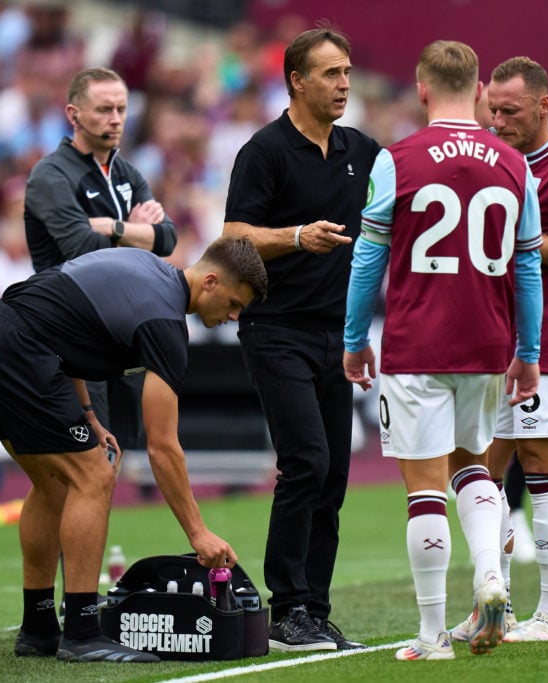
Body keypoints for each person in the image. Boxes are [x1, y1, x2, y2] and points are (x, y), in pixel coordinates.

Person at [0, 237, 268, 662]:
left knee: (53, 484)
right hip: (19, 350)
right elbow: (162, 447)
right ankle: (83, 631)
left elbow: (62, 326)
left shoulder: (148, 269)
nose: (233, 317)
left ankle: (38, 626)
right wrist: (198, 533)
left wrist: (86, 413)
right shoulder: (165, 323)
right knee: (94, 474)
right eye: (234, 303)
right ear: (211, 280)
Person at [344, 40, 544, 661]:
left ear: (422, 88)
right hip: (486, 341)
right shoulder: (515, 164)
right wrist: (528, 351)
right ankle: (491, 577)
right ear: (481, 89)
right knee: (474, 469)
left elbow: (368, 256)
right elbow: (529, 267)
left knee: (424, 486)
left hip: (417, 341)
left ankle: (432, 636)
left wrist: (354, 339)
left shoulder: (396, 159)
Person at [222, 24, 380, 653]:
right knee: (307, 461)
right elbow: (233, 234)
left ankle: (312, 606)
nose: (344, 83)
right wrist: (294, 236)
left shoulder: (361, 149)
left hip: (337, 335)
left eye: (347, 71)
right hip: (277, 328)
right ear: (296, 80)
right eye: (331, 73)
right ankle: (287, 607)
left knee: (334, 473)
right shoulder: (264, 150)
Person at [449, 56, 548, 645]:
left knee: (543, 471)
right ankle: (492, 603)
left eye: (510, 111)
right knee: (480, 473)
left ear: (543, 105)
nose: (498, 120)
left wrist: (521, 240)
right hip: (489, 339)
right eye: (492, 109)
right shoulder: (493, 160)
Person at [24, 66, 177, 457]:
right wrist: (135, 233)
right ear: (73, 115)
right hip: (68, 337)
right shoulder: (52, 174)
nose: (115, 119)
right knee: (87, 466)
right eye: (104, 109)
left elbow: (167, 238)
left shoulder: (126, 171)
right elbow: (80, 248)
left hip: (116, 334)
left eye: (122, 109)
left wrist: (112, 225)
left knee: (111, 463)